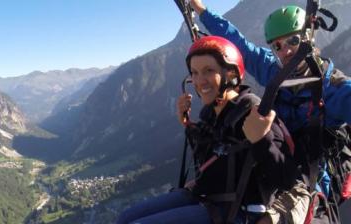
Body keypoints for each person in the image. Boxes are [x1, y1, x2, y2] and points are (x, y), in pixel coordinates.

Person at [188, 0, 351, 221]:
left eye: (293, 40)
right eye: (277, 46)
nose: (286, 51)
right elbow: (238, 43)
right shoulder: (274, 72)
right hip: (273, 159)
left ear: (308, 37)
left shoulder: (334, 89)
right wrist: (201, 10)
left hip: (310, 177)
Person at [117, 36, 307, 224]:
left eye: (208, 71)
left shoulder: (253, 113)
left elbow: (287, 179)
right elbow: (209, 156)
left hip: (238, 210)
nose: (199, 81)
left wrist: (262, 140)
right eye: (195, 73)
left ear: (231, 75)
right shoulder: (212, 113)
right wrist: (188, 124)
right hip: (210, 196)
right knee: (124, 218)